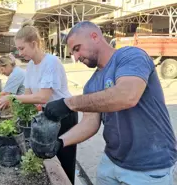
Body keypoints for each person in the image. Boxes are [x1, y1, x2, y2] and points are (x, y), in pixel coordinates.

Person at [43, 21, 177, 185]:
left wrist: (68, 103)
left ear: (94, 36)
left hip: (149, 168)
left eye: (77, 49)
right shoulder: (91, 85)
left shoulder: (131, 56)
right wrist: (60, 142)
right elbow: (90, 123)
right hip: (111, 163)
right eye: (73, 53)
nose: (76, 57)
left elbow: (127, 96)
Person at [0, 20, 78, 184]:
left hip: (65, 116)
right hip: (49, 116)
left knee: (65, 161)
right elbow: (28, 95)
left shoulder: (51, 62)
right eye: (18, 49)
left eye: (22, 48)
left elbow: (43, 97)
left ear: (34, 44)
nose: (19, 53)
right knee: (49, 155)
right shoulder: (31, 66)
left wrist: (12, 98)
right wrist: (15, 113)